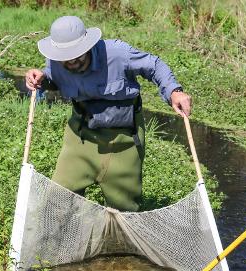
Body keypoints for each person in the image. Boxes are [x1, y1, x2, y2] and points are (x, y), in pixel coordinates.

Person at [25, 16, 192, 211]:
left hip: (124, 141)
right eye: (66, 59)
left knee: (124, 211)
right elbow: (53, 79)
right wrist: (42, 79)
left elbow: (154, 66)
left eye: (77, 55)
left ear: (87, 45)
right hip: (81, 138)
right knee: (57, 201)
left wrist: (174, 91)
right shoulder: (56, 61)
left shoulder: (118, 53)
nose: (71, 62)